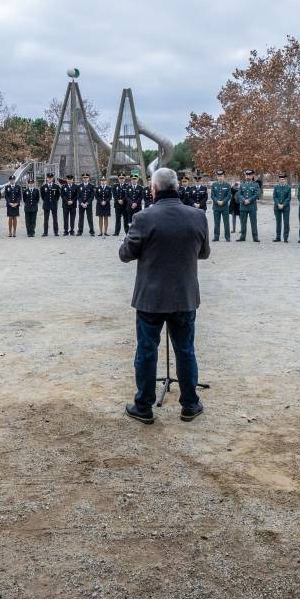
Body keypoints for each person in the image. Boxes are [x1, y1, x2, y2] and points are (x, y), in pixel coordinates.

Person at [119, 167, 210, 424]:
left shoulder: (143, 217)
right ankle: (190, 404)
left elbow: (126, 254)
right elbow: (204, 253)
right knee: (185, 349)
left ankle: (144, 406)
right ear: (177, 187)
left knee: (147, 351)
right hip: (184, 295)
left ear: (154, 189)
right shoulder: (197, 216)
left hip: (152, 297)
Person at [237, 170, 260, 242]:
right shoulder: (242, 185)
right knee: (243, 222)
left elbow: (257, 194)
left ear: (252, 176)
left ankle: (255, 237)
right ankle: (242, 237)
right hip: (243, 206)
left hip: (252, 207)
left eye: (249, 175)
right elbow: (239, 194)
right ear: (245, 176)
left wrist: (249, 200)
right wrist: (244, 200)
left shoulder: (256, 185)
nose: (248, 177)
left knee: (253, 222)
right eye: (247, 175)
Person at [209, 170, 231, 242]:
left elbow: (228, 196)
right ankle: (216, 236)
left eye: (221, 176)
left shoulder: (227, 185)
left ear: (224, 176)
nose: (220, 178)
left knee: (226, 222)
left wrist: (223, 201)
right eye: (218, 176)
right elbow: (212, 195)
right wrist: (217, 201)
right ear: (217, 177)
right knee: (216, 222)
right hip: (216, 207)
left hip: (224, 207)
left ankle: (227, 237)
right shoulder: (214, 185)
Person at [272, 172, 291, 242]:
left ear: (285, 180)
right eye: (280, 179)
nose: (282, 180)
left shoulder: (288, 187)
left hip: (285, 207)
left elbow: (288, 198)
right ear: (279, 180)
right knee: (278, 222)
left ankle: (285, 238)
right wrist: (278, 204)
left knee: (286, 223)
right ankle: (278, 237)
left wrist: (283, 204)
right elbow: (274, 197)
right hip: (277, 207)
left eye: (283, 179)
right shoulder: (276, 187)